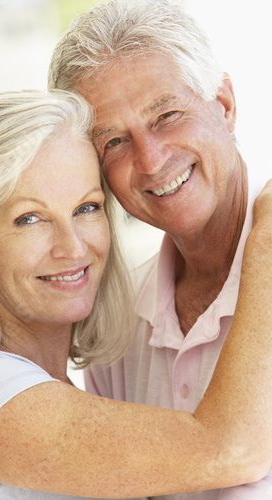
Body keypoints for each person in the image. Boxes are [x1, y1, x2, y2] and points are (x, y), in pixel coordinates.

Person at [0, 89, 271, 500]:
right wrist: (266, 241)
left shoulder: (80, 396)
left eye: (86, 208)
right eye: (29, 218)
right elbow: (232, 451)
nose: (73, 249)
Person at [48, 0, 272, 498]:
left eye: (167, 114)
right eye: (114, 142)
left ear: (225, 105)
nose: (150, 161)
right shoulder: (116, 324)